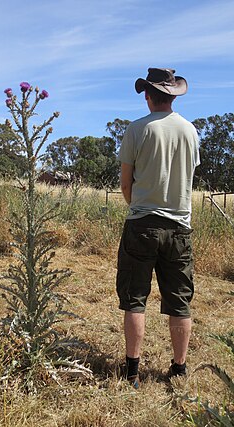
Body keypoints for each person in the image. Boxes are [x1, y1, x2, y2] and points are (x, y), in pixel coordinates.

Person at [116, 68, 200, 389]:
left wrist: (138, 206)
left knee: (135, 298)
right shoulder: (191, 132)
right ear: (173, 96)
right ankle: (179, 369)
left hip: (142, 223)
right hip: (179, 227)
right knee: (179, 301)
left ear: (148, 96)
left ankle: (132, 372)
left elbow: (126, 184)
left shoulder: (136, 130)